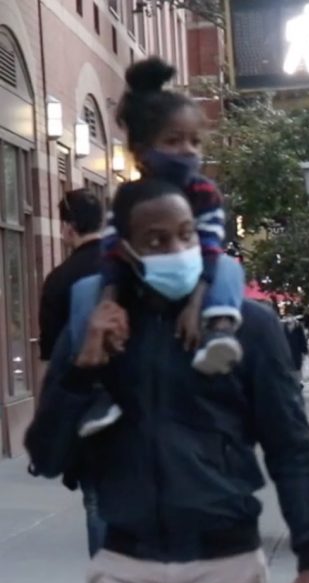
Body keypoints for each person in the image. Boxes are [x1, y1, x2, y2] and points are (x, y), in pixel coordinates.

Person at [24, 178, 309, 583]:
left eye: (186, 235)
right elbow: (46, 455)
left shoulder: (248, 328)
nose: (175, 250)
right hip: (126, 567)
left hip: (223, 568)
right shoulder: (95, 326)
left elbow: (290, 448)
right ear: (127, 250)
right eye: (157, 240)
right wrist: (83, 366)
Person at [70, 57, 246, 437]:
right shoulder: (128, 197)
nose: (187, 150)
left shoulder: (204, 193)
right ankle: (100, 387)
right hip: (138, 282)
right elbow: (114, 250)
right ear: (141, 148)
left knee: (230, 269)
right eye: (173, 140)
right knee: (86, 290)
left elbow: (212, 246)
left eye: (195, 141)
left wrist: (198, 302)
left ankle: (219, 334)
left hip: (200, 276)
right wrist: (110, 301)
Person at [35, 188, 110, 557]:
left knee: (96, 499)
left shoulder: (59, 280)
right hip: (139, 395)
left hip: (85, 404)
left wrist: (46, 423)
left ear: (67, 229)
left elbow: (50, 361)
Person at [285, 315, 309, 385]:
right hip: (287, 351)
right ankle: (293, 382)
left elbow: (302, 340)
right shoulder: (283, 328)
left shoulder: (298, 328)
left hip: (296, 351)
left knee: (297, 367)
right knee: (289, 367)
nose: (289, 319)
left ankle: (298, 382)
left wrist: (305, 351)